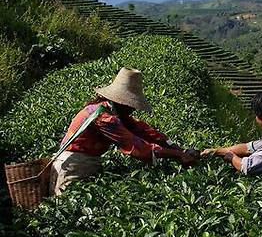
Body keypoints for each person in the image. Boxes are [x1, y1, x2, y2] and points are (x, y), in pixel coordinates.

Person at [50, 67, 198, 195]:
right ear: (121, 102)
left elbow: (145, 131)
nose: (133, 109)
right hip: (73, 167)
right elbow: (137, 146)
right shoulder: (105, 117)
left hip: (84, 163)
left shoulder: (114, 112)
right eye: (131, 104)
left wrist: (177, 148)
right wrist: (178, 155)